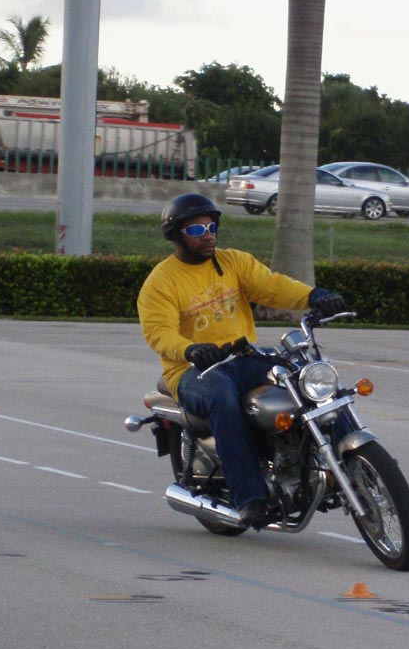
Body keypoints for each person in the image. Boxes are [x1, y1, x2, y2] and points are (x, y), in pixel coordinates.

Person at [137, 192, 346, 528]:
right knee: (222, 395)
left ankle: (348, 458)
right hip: (194, 370)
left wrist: (313, 296)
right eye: (196, 230)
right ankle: (250, 497)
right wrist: (191, 349)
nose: (207, 235)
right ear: (176, 235)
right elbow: (159, 332)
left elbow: (272, 286)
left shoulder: (234, 262)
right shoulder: (161, 281)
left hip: (243, 357)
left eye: (211, 227)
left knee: (308, 377)